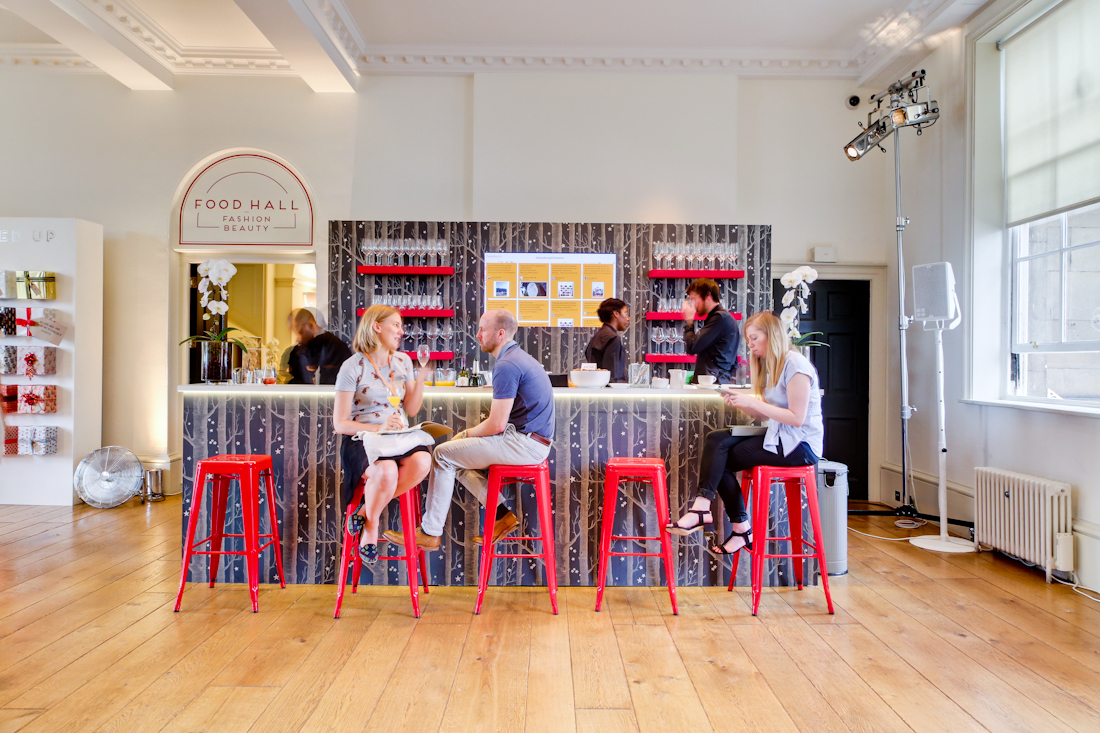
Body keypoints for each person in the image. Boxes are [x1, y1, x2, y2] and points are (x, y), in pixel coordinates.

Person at [385, 309, 554, 549]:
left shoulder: (507, 365)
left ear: (501, 333)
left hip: (524, 444)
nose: (478, 335)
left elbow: (497, 423)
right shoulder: (519, 358)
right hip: (532, 442)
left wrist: (466, 433)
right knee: (457, 460)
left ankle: (430, 532)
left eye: (483, 329)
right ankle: (501, 515)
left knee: (442, 453)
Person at [667, 311, 823, 558]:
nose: (750, 345)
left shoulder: (795, 364)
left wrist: (754, 402)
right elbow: (767, 416)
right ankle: (713, 513)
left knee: (721, 459)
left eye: (754, 338)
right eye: (748, 340)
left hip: (800, 446)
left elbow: (796, 418)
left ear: (770, 335)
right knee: (715, 440)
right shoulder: (773, 366)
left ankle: (730, 523)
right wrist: (743, 403)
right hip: (780, 438)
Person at [333, 305, 433, 562]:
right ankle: (371, 527)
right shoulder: (352, 366)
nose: (401, 331)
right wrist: (378, 428)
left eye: (401, 326)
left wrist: (420, 381)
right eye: (396, 325)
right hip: (362, 439)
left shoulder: (403, 361)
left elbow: (410, 408)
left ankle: (366, 512)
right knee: (386, 472)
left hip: (397, 439)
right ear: (376, 326)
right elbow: (340, 423)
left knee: (423, 461)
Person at [680, 278, 740, 384]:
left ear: (708, 296)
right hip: (715, 381)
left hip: (713, 384)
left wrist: (689, 321)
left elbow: (692, 347)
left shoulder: (720, 318)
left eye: (694, 299)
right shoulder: (721, 317)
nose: (692, 304)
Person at [287, 308, 352, 385]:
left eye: (301, 332)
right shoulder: (336, 345)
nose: (298, 338)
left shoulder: (334, 347)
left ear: (310, 325)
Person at [584, 298, 629, 382]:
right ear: (616, 314)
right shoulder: (613, 338)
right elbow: (613, 376)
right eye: (625, 313)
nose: (628, 318)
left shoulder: (599, 335)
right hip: (610, 391)